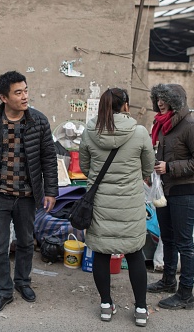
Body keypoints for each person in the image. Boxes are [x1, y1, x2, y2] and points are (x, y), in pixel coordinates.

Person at [0, 70, 58, 314]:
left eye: (26, 90)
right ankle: (3, 291)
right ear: (4, 97)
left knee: (26, 242)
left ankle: (23, 283)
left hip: (28, 195)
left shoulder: (39, 121)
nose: (25, 96)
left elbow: (49, 158)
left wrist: (51, 191)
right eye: (18, 92)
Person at [79, 88, 155, 327]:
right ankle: (141, 309)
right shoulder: (140, 132)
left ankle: (105, 305)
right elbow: (148, 167)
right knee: (134, 254)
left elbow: (84, 166)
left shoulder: (90, 131)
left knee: (101, 253)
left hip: (100, 202)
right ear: (125, 106)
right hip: (130, 203)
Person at [147, 83, 194, 310]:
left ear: (175, 102)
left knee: (184, 243)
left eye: (164, 100)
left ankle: (186, 295)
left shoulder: (192, 127)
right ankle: (168, 281)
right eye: (158, 99)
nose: (160, 103)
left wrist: (170, 167)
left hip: (184, 191)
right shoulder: (163, 125)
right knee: (168, 237)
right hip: (165, 190)